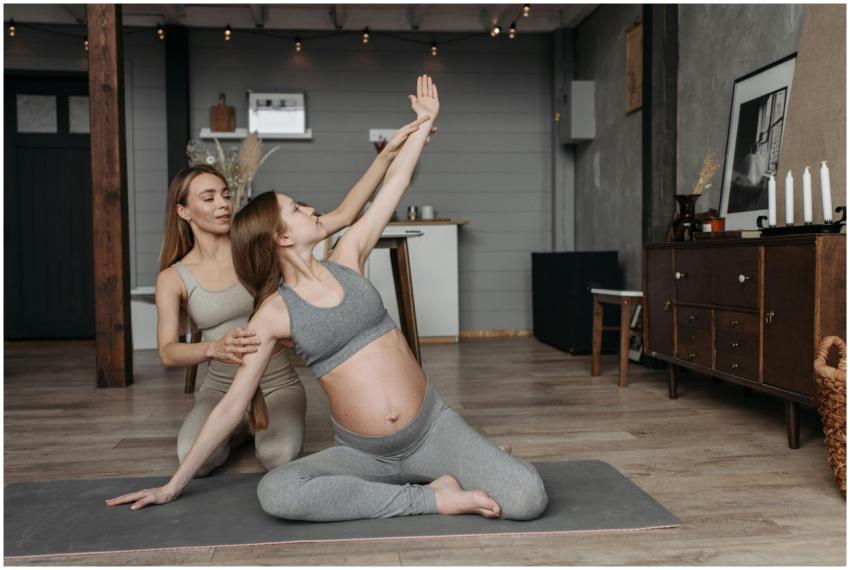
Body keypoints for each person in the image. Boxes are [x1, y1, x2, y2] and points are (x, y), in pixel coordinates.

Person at [107, 75, 548, 522]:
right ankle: (434, 495)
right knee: (277, 490)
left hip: (432, 428)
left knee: (529, 497)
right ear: (280, 236)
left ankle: (456, 463)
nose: (312, 209)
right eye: (297, 209)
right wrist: (171, 485)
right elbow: (231, 407)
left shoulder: (348, 256)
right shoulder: (273, 314)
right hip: (364, 453)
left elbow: (392, 188)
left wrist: (421, 128)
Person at [153, 115, 433, 475]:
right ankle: (234, 427)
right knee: (194, 457)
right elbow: (167, 351)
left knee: (278, 458)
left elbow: (346, 214)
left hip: (275, 383)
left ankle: (249, 429)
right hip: (222, 387)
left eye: (225, 195)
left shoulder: (257, 245)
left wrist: (386, 155)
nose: (223, 204)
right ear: (183, 211)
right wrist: (213, 348)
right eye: (208, 198)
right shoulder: (173, 277)